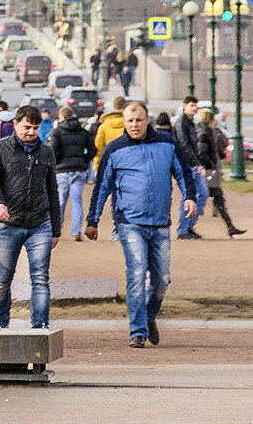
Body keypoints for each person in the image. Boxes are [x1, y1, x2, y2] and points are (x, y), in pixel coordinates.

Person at [86, 102, 196, 348]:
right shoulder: (115, 149)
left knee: (162, 279)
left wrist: (189, 197)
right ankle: (137, 331)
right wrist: (92, 221)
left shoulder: (167, 144)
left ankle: (148, 316)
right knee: (136, 274)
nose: (134, 125)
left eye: (138, 120)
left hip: (159, 224)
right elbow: (101, 186)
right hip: (130, 222)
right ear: (124, 122)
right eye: (129, 120)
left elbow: (184, 173)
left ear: (148, 120)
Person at [0, 105, 60, 329]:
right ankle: (0, 323)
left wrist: (56, 229)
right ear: (15, 125)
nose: (31, 132)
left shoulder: (46, 152)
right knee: (3, 280)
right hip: (9, 224)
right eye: (27, 127)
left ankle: (40, 326)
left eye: (35, 128)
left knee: (40, 279)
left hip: (40, 223)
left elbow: (53, 191)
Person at [47, 106, 96, 241]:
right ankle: (76, 231)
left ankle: (57, 228)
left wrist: (56, 164)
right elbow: (92, 150)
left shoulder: (57, 132)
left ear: (61, 117)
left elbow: (52, 150)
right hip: (79, 169)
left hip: (62, 170)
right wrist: (84, 162)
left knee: (60, 201)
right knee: (77, 202)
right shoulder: (82, 132)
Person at [196, 108, 245, 237]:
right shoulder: (204, 133)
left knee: (217, 197)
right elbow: (202, 152)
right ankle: (186, 226)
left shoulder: (204, 131)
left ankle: (230, 226)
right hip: (209, 171)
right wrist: (210, 165)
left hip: (209, 170)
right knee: (202, 197)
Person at [172, 96, 209, 239]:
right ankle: (183, 229)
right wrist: (196, 163)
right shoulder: (181, 123)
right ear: (184, 105)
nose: (195, 108)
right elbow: (184, 145)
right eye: (192, 105)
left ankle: (188, 226)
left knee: (202, 194)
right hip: (186, 165)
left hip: (192, 164)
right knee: (189, 196)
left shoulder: (190, 122)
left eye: (195, 106)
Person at [93, 96, 126, 171]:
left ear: (113, 107)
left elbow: (99, 147)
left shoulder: (104, 126)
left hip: (109, 164)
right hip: (127, 164)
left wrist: (97, 166)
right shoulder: (130, 124)